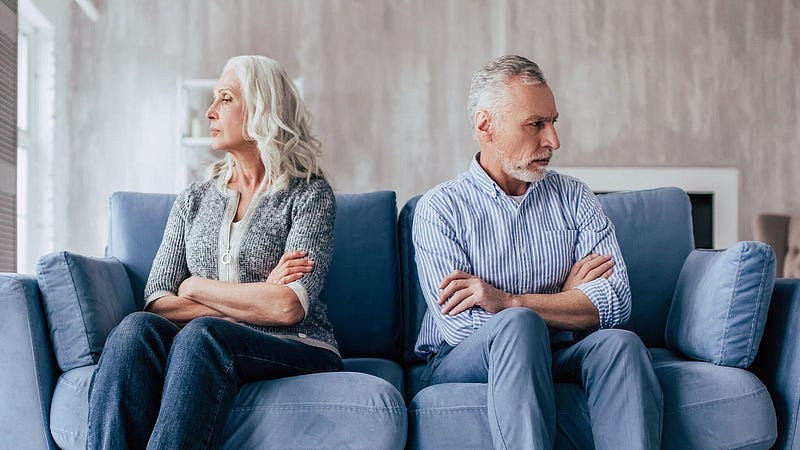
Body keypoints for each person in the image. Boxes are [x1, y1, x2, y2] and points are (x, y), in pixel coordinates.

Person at [87, 55, 342, 449]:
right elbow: (157, 302)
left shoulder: (309, 194)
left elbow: (288, 309)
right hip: (213, 340)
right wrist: (255, 298)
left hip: (298, 344)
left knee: (203, 335)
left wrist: (194, 286)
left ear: (260, 108)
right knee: (134, 329)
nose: (210, 112)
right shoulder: (195, 197)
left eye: (225, 99)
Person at [413, 55, 663, 449]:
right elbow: (461, 327)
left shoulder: (575, 197)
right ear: (485, 126)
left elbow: (615, 303)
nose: (553, 141)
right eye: (535, 125)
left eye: (553, 122)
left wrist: (509, 301)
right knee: (518, 326)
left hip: (560, 352)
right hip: (463, 361)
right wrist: (566, 303)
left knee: (621, 343)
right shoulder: (440, 208)